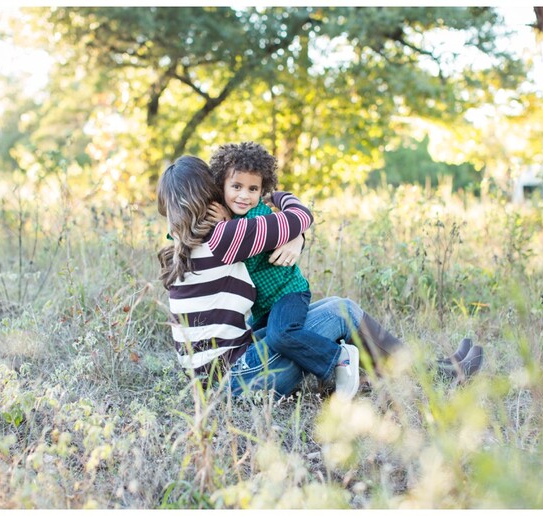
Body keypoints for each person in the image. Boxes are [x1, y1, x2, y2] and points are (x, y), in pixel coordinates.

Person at [157, 155, 482, 400]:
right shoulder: (226, 237)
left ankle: (409, 370)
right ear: (210, 195)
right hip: (243, 377)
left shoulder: (180, 249)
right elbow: (298, 219)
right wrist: (294, 233)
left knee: (325, 316)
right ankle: (438, 372)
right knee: (342, 311)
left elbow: (269, 239)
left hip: (213, 384)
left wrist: (293, 240)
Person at [205, 142, 369, 395]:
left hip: (288, 293)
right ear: (222, 186)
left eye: (253, 189)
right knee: (262, 343)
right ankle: (323, 369)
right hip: (262, 306)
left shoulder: (259, 215)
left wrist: (298, 234)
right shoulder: (231, 216)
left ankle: (339, 358)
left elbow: (265, 228)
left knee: (282, 335)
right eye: (236, 187)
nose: (244, 195)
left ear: (263, 190)